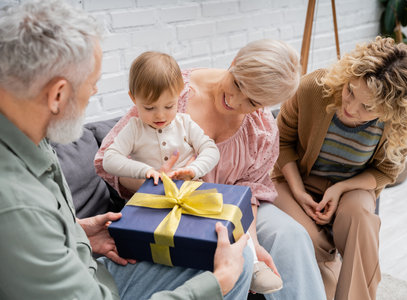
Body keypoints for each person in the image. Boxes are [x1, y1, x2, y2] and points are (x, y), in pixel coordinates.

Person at [0, 1, 254, 299]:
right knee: (231, 268)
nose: (94, 93)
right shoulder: (17, 206)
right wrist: (218, 283)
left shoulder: (31, 139)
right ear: (57, 94)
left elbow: (39, 238)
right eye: (92, 85)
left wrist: (77, 232)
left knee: (234, 253)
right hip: (96, 288)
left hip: (91, 268)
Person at [95, 39, 327, 299]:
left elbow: (249, 192)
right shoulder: (175, 93)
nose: (235, 100)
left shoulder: (261, 129)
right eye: (238, 83)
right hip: (171, 203)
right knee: (218, 250)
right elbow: (109, 162)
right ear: (234, 61)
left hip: (234, 207)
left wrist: (252, 243)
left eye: (252, 102)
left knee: (290, 235)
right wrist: (157, 180)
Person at [271, 36, 407, 300]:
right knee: (306, 239)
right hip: (294, 181)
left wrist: (341, 188)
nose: (350, 108)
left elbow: (386, 173)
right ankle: (330, 268)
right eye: (350, 91)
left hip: (352, 187)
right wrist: (299, 192)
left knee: (361, 219)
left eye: (367, 107)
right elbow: (281, 139)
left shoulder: (398, 126)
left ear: (392, 111)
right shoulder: (314, 87)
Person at [103, 51, 220, 182]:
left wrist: (193, 169)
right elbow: (109, 159)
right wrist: (145, 171)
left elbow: (211, 150)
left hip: (189, 189)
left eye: (169, 106)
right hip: (152, 195)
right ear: (133, 98)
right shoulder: (134, 129)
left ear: (179, 94)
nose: (160, 115)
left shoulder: (185, 123)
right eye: (149, 108)